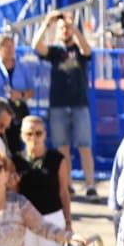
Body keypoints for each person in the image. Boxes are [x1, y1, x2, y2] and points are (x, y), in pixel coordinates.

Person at [34, 11, 96, 197]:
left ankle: (90, 185)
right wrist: (47, 24)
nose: (65, 31)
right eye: (62, 29)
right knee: (63, 148)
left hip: (79, 104)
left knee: (84, 146)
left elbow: (87, 51)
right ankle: (67, 184)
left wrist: (75, 29)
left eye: (67, 28)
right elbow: (36, 46)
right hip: (59, 105)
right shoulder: (54, 52)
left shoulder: (79, 50)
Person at [12, 116, 74, 246]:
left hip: (52, 217)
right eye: (29, 133)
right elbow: (14, 193)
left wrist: (68, 222)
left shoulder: (57, 159)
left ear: (45, 134)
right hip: (26, 219)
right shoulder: (15, 161)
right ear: (22, 136)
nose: (34, 137)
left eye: (38, 133)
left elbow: (64, 192)